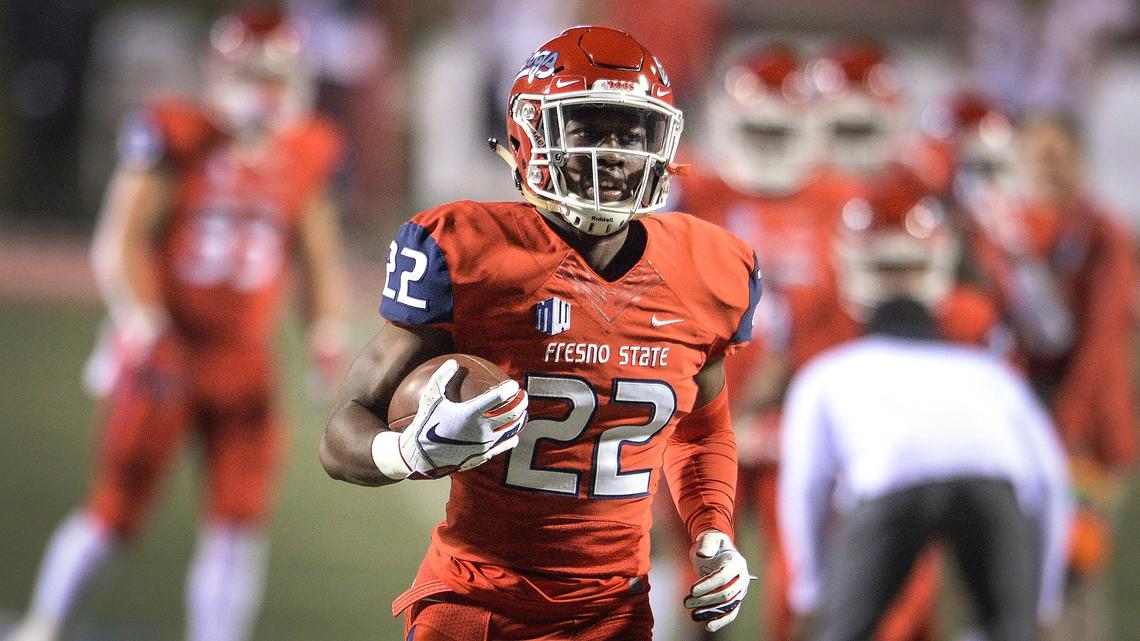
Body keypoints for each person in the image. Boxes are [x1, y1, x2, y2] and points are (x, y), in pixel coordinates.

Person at [319, 25, 759, 640]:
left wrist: (713, 532)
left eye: (631, 132)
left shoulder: (711, 268)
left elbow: (704, 427)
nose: (612, 153)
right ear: (531, 134)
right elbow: (344, 426)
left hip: (615, 616)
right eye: (587, 128)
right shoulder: (468, 251)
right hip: (475, 605)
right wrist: (407, 452)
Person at [7, 9, 347, 641]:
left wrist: (326, 332)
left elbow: (316, 250)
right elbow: (121, 241)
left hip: (245, 361)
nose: (267, 93)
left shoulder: (306, 149)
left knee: (238, 524)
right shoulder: (178, 132)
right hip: (168, 355)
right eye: (254, 76)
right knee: (115, 512)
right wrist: (140, 326)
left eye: (278, 77)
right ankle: (44, 625)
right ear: (220, 73)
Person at [675, 43, 939, 641]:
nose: (767, 144)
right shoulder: (691, 192)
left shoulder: (849, 201)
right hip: (703, 417)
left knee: (806, 589)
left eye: (779, 129)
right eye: (756, 129)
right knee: (689, 588)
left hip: (808, 420)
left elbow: (856, 313)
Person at [778, 168, 1072, 641]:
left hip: (892, 485)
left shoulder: (829, 372)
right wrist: (1045, 599)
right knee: (1009, 630)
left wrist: (810, 593)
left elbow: (805, 486)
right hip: (991, 486)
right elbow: (1049, 481)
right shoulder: (987, 372)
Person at [969, 113, 1137, 641]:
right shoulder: (1005, 234)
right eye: (1036, 155)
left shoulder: (1102, 235)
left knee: (1072, 574)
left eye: (1056, 156)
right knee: (1009, 572)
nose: (1045, 167)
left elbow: (1103, 346)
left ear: (1079, 162)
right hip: (1019, 432)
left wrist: (1064, 431)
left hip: (1084, 438)